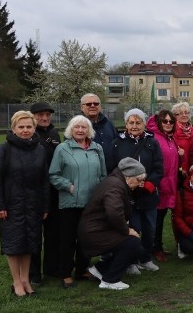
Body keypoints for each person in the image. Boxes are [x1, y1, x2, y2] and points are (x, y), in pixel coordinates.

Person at [0, 111, 49, 296]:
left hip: (33, 205)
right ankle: (16, 282)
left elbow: (44, 180)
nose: (25, 130)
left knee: (30, 244)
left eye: (28, 126)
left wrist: (45, 206)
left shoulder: (39, 150)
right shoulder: (4, 149)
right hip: (10, 207)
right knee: (14, 245)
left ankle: (25, 280)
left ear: (34, 127)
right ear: (14, 128)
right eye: (21, 127)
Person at [48, 116, 107, 289]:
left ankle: (82, 270)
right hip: (70, 203)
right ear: (70, 130)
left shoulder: (97, 149)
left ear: (89, 130)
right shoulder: (62, 148)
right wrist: (68, 186)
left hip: (91, 203)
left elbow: (103, 175)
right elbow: (53, 174)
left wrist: (101, 194)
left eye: (84, 127)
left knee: (86, 239)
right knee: (68, 240)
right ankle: (65, 273)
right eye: (77, 127)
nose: (80, 130)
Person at [78, 158, 147, 290]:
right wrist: (126, 230)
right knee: (133, 244)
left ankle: (99, 270)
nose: (139, 184)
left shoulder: (116, 182)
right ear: (128, 177)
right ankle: (110, 280)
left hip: (97, 230)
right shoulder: (116, 185)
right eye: (138, 180)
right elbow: (114, 213)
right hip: (95, 233)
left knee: (135, 245)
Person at [110, 108, 164, 273]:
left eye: (138, 122)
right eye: (131, 122)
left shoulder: (151, 142)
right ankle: (131, 261)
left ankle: (145, 258)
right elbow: (112, 167)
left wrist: (149, 184)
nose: (134, 126)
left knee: (150, 229)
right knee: (134, 228)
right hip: (128, 195)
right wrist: (125, 184)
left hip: (148, 194)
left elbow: (158, 167)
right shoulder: (117, 143)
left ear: (144, 124)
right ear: (126, 124)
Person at [30, 101, 61, 285]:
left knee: (53, 233)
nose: (44, 118)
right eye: (40, 115)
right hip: (34, 191)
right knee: (34, 234)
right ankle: (34, 273)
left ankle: (52, 268)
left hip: (53, 189)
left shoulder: (54, 133)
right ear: (33, 116)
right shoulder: (28, 133)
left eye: (47, 115)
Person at [146, 110, 181, 262]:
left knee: (161, 217)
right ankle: (154, 248)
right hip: (159, 185)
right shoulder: (155, 138)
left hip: (169, 185)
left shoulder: (170, 139)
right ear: (159, 123)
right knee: (156, 219)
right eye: (164, 121)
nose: (168, 124)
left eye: (171, 121)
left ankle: (158, 246)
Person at [80, 93, 119, 167]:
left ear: (100, 106)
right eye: (88, 104)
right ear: (82, 107)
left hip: (110, 172)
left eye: (96, 103)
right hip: (88, 172)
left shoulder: (109, 124)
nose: (92, 106)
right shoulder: (77, 126)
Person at [171, 102, 193, 180]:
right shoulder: (172, 131)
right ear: (175, 116)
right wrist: (182, 167)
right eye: (181, 113)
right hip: (180, 169)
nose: (184, 115)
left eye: (186, 112)